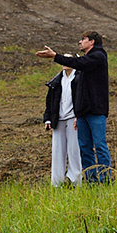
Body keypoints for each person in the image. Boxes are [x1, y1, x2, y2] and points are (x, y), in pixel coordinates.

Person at [35, 31, 111, 183]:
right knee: (85, 148)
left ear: (92, 42)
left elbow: (79, 63)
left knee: (100, 145)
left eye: (83, 39)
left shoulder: (98, 56)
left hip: (96, 111)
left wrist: (55, 56)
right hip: (83, 113)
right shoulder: (86, 61)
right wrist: (78, 114)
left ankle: (105, 180)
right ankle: (91, 181)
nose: (79, 42)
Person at [42, 57, 81, 186]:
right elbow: (50, 101)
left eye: (68, 59)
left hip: (73, 118)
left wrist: (79, 115)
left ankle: (75, 181)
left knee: (74, 150)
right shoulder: (57, 80)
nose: (64, 62)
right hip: (58, 119)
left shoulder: (79, 78)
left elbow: (82, 98)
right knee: (57, 150)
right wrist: (48, 118)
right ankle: (57, 182)